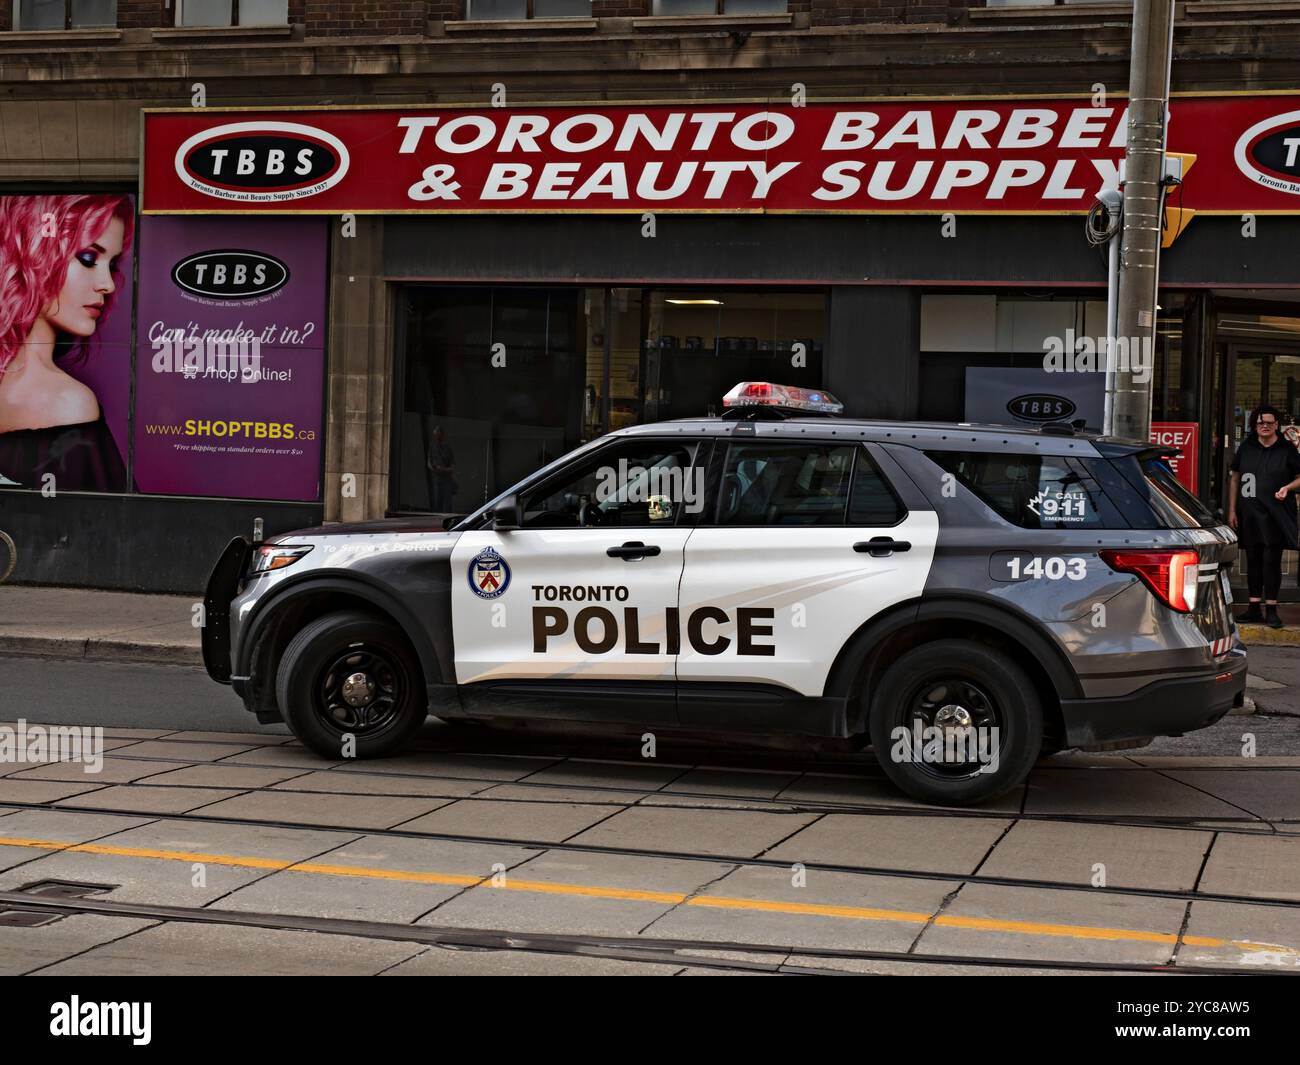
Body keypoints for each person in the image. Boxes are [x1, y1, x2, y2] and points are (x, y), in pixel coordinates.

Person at [0, 195, 134, 492]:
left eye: (111, 265)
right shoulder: (69, 401)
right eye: (88, 259)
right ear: (36, 255)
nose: (108, 285)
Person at [1228, 404, 1300, 628]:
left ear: (1277, 425)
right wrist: (1231, 510)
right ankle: (1253, 608)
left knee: (1271, 561)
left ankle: (1271, 609)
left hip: (1275, 515)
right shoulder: (1247, 448)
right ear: (1255, 425)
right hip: (1249, 514)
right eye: (1260, 423)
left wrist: (1288, 488)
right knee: (1253, 561)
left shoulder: (1286, 449)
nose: (1265, 426)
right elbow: (1234, 478)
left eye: (1269, 422)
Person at [426, 424, 457, 512]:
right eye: (435, 434)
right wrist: (435, 469)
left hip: (447, 479)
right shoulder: (432, 446)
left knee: (448, 502)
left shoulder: (447, 447)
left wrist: (445, 470)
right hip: (437, 479)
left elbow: (453, 465)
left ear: (442, 434)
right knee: (437, 501)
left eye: (438, 434)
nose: (436, 436)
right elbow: (429, 463)